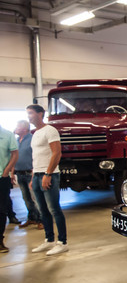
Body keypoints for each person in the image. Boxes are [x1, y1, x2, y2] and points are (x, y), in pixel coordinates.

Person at [27, 104, 69, 256]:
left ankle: (62, 242)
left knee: (54, 209)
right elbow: (36, 157)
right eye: (28, 114)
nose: (29, 116)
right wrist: (33, 177)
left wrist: (48, 174)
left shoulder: (50, 130)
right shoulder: (35, 133)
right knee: (43, 210)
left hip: (48, 175)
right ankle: (49, 239)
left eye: (31, 113)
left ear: (40, 114)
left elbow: (56, 153)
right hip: (37, 175)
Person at [11, 120, 42, 228]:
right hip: (19, 173)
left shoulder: (32, 139)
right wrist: (12, 173)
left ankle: (41, 220)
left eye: (18, 126)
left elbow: (36, 157)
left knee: (35, 198)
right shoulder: (16, 140)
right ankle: (32, 218)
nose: (16, 128)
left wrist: (34, 173)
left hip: (30, 173)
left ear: (24, 129)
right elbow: (14, 157)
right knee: (26, 198)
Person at [0, 123, 19, 253]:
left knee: (1, 210)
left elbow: (15, 154)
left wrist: (7, 171)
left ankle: (0, 241)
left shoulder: (7, 135)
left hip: (2, 178)